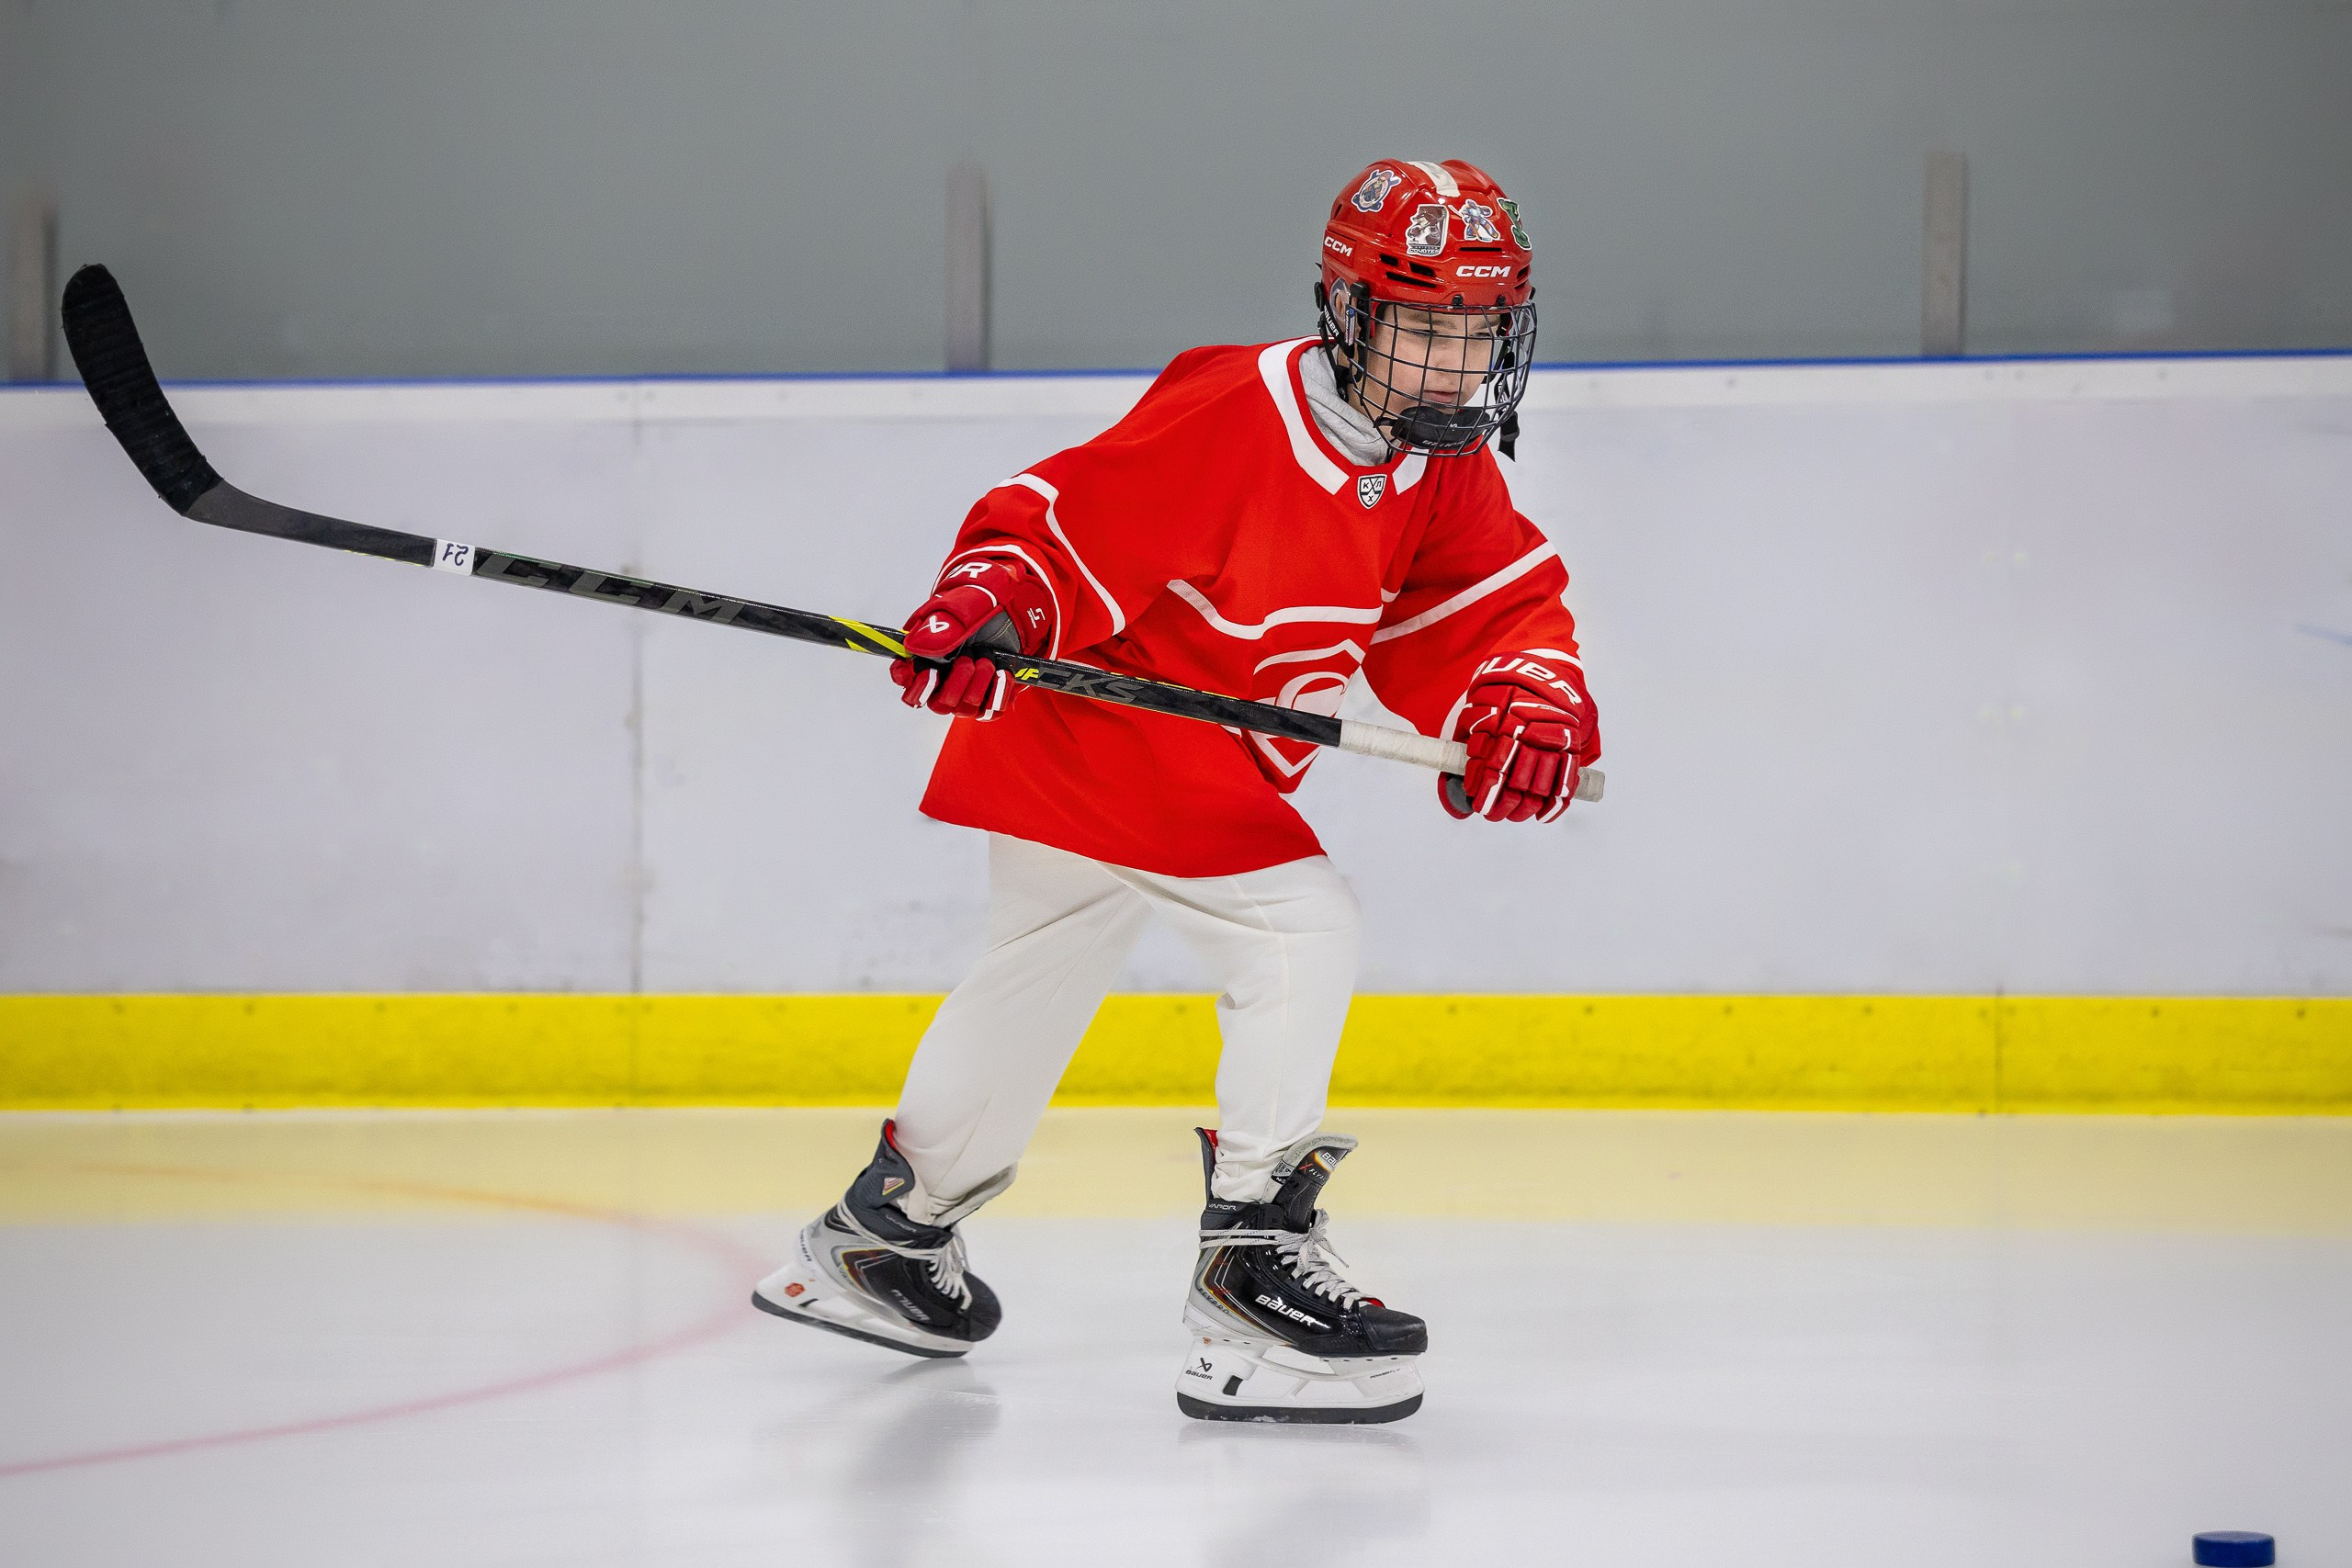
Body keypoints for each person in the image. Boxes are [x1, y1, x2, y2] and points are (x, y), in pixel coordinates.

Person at [752, 159, 1599, 1424]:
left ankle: (885, 1239)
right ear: (1351, 312)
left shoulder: (1440, 463)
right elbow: (1068, 521)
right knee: (1302, 925)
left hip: (1082, 758)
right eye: (1424, 327)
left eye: (1478, 332)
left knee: (1037, 968)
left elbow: (1489, 606)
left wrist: (1520, 698)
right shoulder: (1237, 411)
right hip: (1123, 735)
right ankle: (1249, 1264)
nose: (1452, 364)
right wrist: (995, 602)